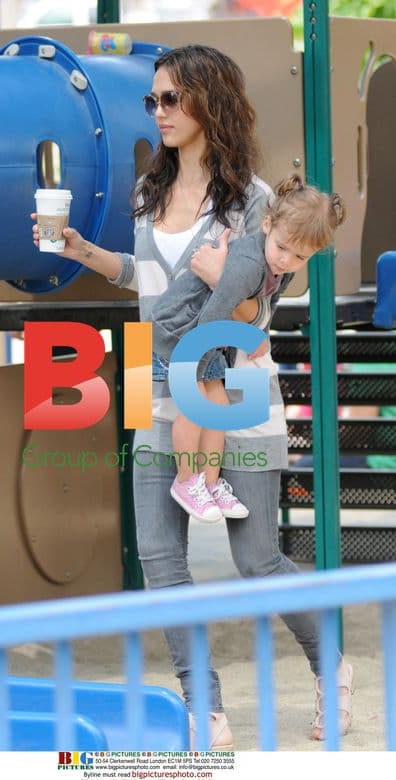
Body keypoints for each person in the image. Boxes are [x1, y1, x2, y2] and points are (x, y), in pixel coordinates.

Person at [31, 44, 353, 747]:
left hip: (229, 373)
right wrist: (84, 251)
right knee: (159, 553)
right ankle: (203, 706)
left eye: (170, 98)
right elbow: (145, 280)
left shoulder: (258, 204)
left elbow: (262, 310)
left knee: (257, 558)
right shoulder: (147, 194)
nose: (159, 112)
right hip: (154, 368)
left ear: (211, 101)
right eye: (154, 100)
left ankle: (330, 666)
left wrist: (219, 275)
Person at [151, 175, 346, 524]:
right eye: (282, 247)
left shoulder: (280, 267)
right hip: (179, 328)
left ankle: (210, 484)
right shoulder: (248, 265)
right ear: (268, 224)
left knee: (220, 405)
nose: (286, 260)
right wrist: (194, 365)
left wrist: (260, 332)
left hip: (206, 330)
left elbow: (269, 301)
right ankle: (185, 481)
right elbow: (214, 311)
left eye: (300, 256)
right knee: (195, 405)